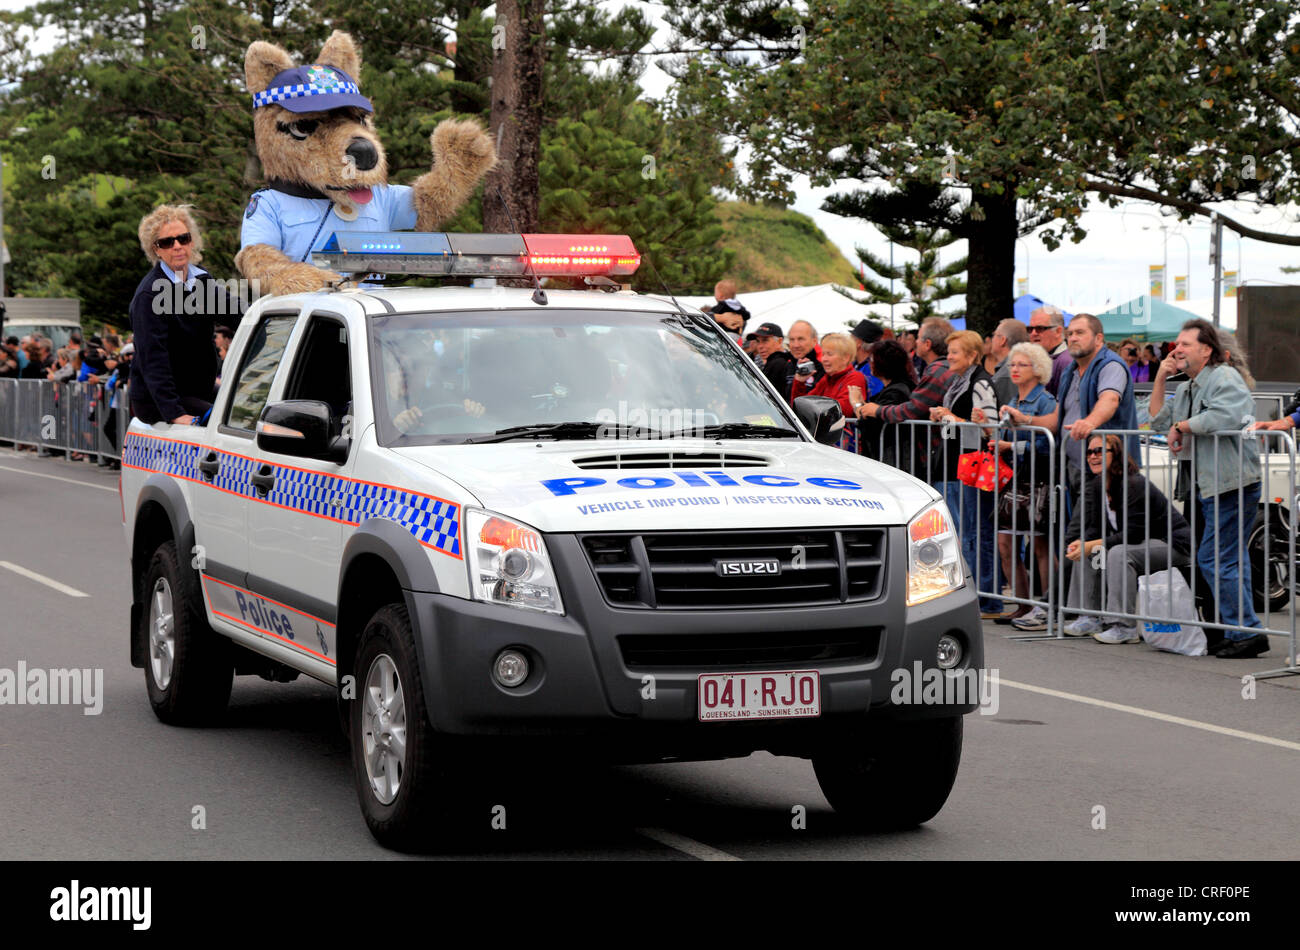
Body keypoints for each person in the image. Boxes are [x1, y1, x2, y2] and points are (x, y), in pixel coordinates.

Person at [1149, 319, 1267, 658]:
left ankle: (1247, 631)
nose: (1178, 349)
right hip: (1207, 484)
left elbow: (1226, 416)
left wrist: (1181, 426)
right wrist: (1161, 376)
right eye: (1176, 343)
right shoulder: (1188, 386)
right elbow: (1157, 420)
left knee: (1215, 557)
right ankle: (1239, 630)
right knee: (1229, 558)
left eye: (1185, 344)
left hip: (1231, 482)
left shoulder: (1224, 377)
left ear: (1207, 350)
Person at [1061, 433, 1194, 644]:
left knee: (1117, 553)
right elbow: (1096, 528)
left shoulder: (1133, 484)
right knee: (1089, 552)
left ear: (1116, 455)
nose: (1092, 456)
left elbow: (1133, 533)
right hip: (1141, 544)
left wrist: (1091, 544)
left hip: (1172, 544)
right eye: (1089, 452)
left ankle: (1124, 626)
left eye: (1099, 451)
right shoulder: (1097, 486)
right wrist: (1082, 543)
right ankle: (1088, 617)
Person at [129, 204, 243, 425]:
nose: (177, 246)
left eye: (183, 238)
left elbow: (235, 311)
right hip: (161, 401)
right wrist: (175, 414)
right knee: (227, 422)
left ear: (192, 241)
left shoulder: (199, 280)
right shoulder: (149, 296)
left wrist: (263, 313)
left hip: (197, 390)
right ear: (156, 249)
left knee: (246, 411)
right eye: (167, 242)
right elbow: (153, 360)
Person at [927, 329, 1001, 617]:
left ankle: (986, 596)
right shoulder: (961, 381)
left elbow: (988, 428)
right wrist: (945, 415)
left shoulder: (981, 383)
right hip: (962, 464)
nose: (949, 356)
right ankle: (975, 594)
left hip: (977, 466)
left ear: (971, 355)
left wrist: (951, 417)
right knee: (967, 532)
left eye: (955, 352)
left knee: (976, 532)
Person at [989, 342, 1057, 627]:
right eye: (1012, 365)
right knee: (1005, 542)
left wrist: (1010, 446)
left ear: (1037, 369)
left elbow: (1045, 444)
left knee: (1040, 544)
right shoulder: (1015, 400)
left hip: (1038, 478)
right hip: (1016, 479)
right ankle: (1023, 603)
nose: (1014, 370)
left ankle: (1047, 604)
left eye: (1021, 365)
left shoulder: (1045, 401)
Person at [1050, 313, 1137, 506]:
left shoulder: (1111, 365)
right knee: (1079, 529)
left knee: (1097, 531)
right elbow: (1057, 417)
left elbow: (1110, 399)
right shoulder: (1069, 371)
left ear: (1099, 338)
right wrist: (1024, 420)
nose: (1072, 338)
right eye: (1070, 333)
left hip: (1105, 468)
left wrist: (1090, 422)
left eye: (1080, 332)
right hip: (1074, 465)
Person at [858, 317, 955, 482]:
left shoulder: (937, 371)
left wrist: (873, 409)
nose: (915, 342)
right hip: (940, 451)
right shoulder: (935, 369)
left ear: (928, 344)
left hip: (939, 454)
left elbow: (912, 409)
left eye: (918, 338)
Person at [852, 338, 915, 466]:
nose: (870, 363)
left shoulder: (896, 391)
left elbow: (871, 424)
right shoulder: (898, 387)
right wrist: (862, 403)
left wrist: (855, 403)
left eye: (872, 360)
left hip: (892, 461)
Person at [806, 332, 868, 420]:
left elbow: (844, 409)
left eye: (829, 354)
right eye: (823, 354)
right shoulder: (827, 379)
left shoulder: (855, 378)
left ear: (845, 358)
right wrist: (799, 382)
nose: (824, 359)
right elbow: (802, 405)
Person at [1027, 305, 1071, 397]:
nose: (1033, 333)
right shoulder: (1034, 360)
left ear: (1058, 331)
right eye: (1030, 329)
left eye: (1040, 328)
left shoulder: (1067, 362)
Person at [989, 318, 1028, 406]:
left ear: (1002, 340)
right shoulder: (1024, 366)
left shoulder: (1007, 375)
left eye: (994, 335)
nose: (992, 339)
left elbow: (1008, 415)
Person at [751, 322, 793, 401]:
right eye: (758, 341)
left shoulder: (780, 364)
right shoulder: (757, 362)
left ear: (779, 341)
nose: (760, 346)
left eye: (765, 341)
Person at [786, 319, 825, 403]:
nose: (796, 345)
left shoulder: (824, 367)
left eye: (801, 339)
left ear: (814, 341)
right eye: (792, 340)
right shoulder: (787, 365)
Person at [849, 319, 885, 396]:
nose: (847, 344)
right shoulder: (854, 364)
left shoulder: (873, 369)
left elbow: (872, 395)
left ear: (858, 343)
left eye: (850, 339)